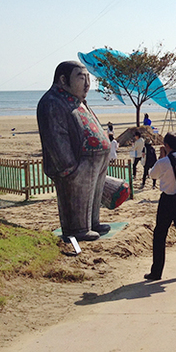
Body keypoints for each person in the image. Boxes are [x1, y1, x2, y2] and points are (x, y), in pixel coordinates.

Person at [36, 61, 110, 242]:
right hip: (77, 165)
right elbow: (55, 136)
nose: (87, 84)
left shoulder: (78, 101)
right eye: (81, 77)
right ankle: (77, 228)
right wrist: (68, 166)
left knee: (93, 195)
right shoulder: (52, 102)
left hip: (95, 160)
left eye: (88, 78)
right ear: (63, 79)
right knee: (78, 197)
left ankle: (92, 222)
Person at [144, 133, 176, 280]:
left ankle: (157, 271)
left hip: (168, 199)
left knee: (160, 235)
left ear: (167, 146)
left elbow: (152, 175)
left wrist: (162, 156)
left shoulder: (163, 162)